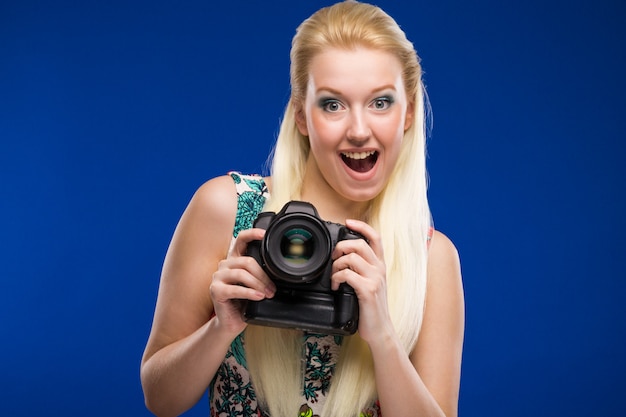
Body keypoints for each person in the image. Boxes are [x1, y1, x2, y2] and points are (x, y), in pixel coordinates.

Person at [140, 1, 464, 416]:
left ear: (409, 112)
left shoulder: (430, 259)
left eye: (380, 102)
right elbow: (160, 399)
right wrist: (221, 328)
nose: (359, 130)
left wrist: (382, 334)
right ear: (301, 116)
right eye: (333, 104)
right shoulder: (229, 210)